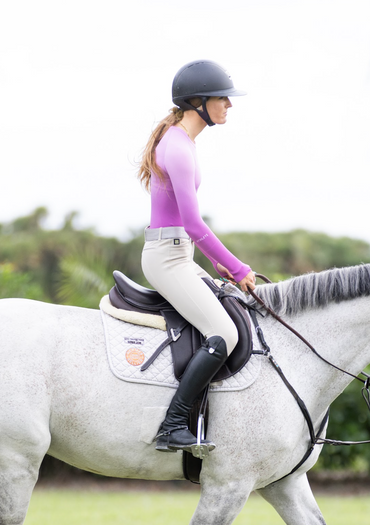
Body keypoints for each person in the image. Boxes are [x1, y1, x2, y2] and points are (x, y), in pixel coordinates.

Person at [138, 59, 256, 455]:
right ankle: (172, 426)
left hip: (177, 254)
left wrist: (215, 263)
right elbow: (191, 221)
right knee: (225, 334)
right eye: (223, 98)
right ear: (198, 101)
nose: (229, 105)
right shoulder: (178, 147)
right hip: (167, 258)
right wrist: (237, 267)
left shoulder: (179, 141)